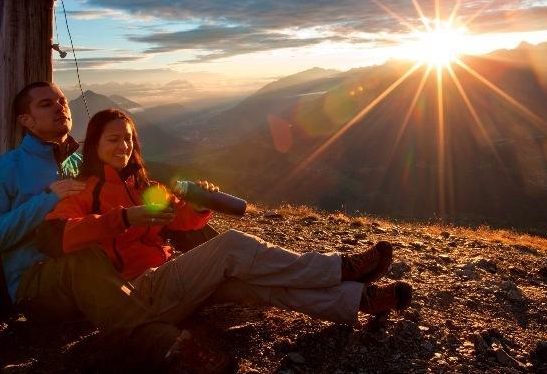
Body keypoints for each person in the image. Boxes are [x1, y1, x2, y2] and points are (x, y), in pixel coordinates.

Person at [36, 108, 412, 368]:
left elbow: (182, 221)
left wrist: (200, 205)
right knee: (232, 245)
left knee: (262, 284)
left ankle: (361, 300)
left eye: (129, 139)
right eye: (113, 140)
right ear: (94, 146)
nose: (123, 147)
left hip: (173, 287)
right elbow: (56, 238)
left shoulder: (145, 186)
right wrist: (122, 218)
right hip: (135, 295)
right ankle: (341, 267)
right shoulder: (84, 192)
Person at [0, 83, 206, 370]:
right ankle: (162, 344)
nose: (59, 106)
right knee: (81, 257)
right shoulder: (1, 172)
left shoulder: (85, 160)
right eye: (45, 104)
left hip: (107, 273)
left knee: (175, 218)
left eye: (62, 100)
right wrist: (45, 201)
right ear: (25, 120)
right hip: (39, 283)